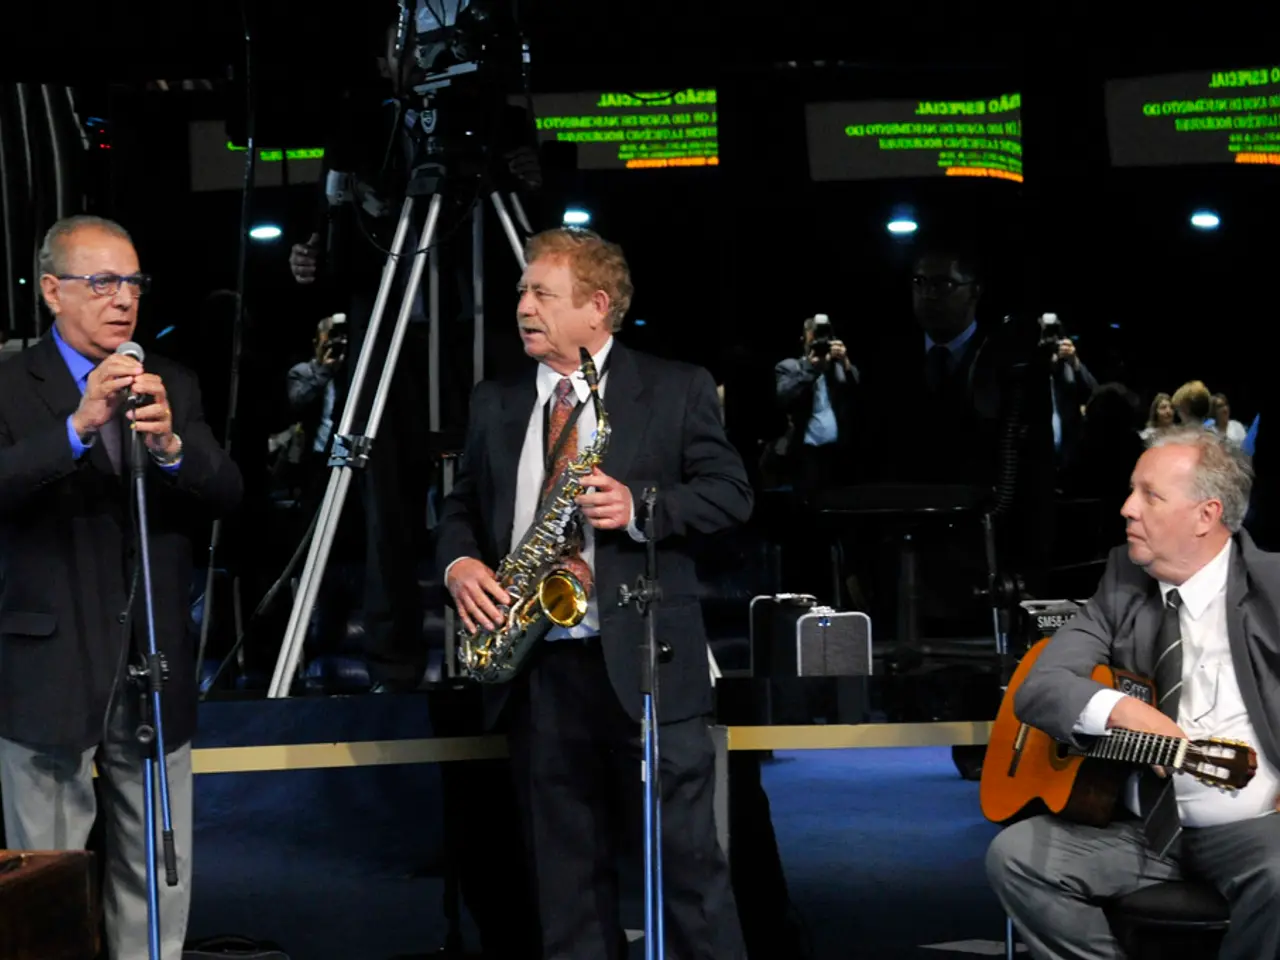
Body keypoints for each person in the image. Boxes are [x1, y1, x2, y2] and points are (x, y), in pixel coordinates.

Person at [436, 227, 750, 959]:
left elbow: (731, 495)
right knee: (565, 883)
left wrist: (642, 507)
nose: (522, 305)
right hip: (539, 669)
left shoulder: (675, 387)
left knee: (688, 874)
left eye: (541, 292)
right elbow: (460, 507)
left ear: (597, 307)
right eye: (522, 290)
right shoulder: (496, 399)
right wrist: (459, 565)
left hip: (646, 663)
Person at [0, 215, 243, 960]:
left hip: (152, 666)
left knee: (156, 874)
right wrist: (76, 428)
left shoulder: (175, 383)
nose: (122, 299)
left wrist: (171, 446)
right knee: (45, 882)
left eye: (132, 282)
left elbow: (229, 494)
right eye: (101, 282)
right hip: (47, 669)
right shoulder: (10, 386)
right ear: (51, 291)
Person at [986, 426, 1280, 960]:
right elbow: (1040, 688)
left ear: (1206, 515)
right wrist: (1120, 710)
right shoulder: (1122, 580)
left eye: (1150, 495)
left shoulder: (1273, 588)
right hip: (1142, 831)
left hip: (1254, 827)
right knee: (1016, 857)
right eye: (1130, 490)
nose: (1126, 508)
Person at [773, 313, 859, 496]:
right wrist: (812, 369)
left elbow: (857, 391)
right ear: (803, 341)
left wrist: (845, 361)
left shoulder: (836, 368)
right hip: (805, 455)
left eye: (823, 341)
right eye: (814, 341)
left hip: (838, 453)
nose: (819, 345)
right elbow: (783, 397)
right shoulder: (789, 367)